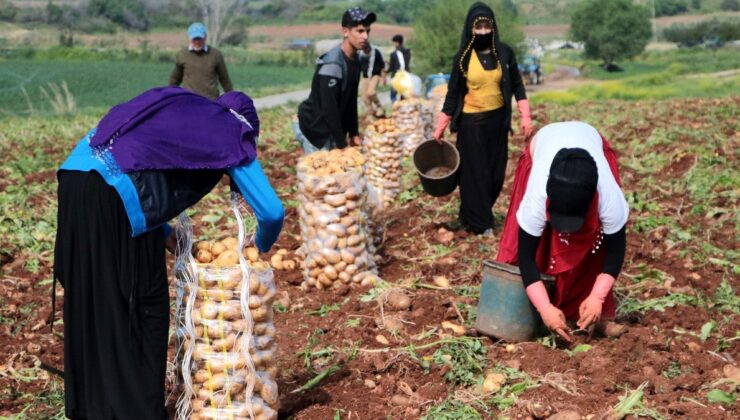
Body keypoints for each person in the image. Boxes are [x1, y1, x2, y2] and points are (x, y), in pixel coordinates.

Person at [54, 87, 284, 419]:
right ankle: (136, 411)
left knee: (93, 298)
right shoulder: (231, 129)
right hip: (112, 193)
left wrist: (164, 232)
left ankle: (93, 409)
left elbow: (141, 164)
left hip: (74, 183)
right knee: (143, 308)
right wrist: (254, 250)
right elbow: (272, 212)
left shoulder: (183, 115)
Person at [496, 121, 629, 342]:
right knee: (532, 250)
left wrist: (597, 296)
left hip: (589, 138)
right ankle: (540, 312)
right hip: (544, 142)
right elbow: (526, 258)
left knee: (596, 249)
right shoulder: (537, 197)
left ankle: (590, 314)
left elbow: (615, 251)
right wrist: (545, 307)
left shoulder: (609, 197)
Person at [432, 2, 532, 236]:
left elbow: (517, 84)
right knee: (475, 174)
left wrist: (525, 116)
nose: (484, 32)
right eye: (479, 28)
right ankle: (482, 223)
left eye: (487, 26)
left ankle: (471, 215)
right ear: (471, 30)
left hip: (498, 123)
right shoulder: (463, 57)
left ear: (493, 27)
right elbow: (453, 94)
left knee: (496, 174)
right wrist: (441, 127)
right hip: (471, 124)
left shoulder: (504, 53)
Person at [295, 7, 375, 154]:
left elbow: (351, 100)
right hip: (315, 130)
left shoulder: (355, 60)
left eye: (367, 31)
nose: (365, 36)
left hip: (331, 128)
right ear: (345, 31)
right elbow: (329, 108)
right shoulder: (333, 64)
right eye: (360, 31)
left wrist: (353, 133)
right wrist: (342, 144)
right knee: (321, 175)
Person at [169, 22, 233, 100]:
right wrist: (169, 96)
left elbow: (224, 79)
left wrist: (232, 97)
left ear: (205, 37)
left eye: (199, 39)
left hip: (211, 101)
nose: (197, 42)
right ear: (189, 38)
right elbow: (175, 79)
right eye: (194, 39)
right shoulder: (182, 55)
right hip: (189, 100)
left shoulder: (215, 54)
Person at [358, 42, 386, 118]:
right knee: (364, 96)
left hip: (375, 75)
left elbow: (382, 65)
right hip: (365, 76)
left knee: (371, 92)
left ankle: (379, 107)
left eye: (366, 49)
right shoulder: (360, 55)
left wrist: (383, 78)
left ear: (368, 48)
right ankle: (371, 113)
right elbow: (358, 66)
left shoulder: (376, 52)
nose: (365, 51)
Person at [387, 34, 411, 102]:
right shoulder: (407, 52)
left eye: (394, 43)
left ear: (397, 42)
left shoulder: (393, 54)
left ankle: (395, 108)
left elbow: (392, 67)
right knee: (404, 96)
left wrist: (386, 71)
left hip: (396, 77)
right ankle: (402, 110)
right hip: (406, 76)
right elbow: (404, 63)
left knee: (393, 95)